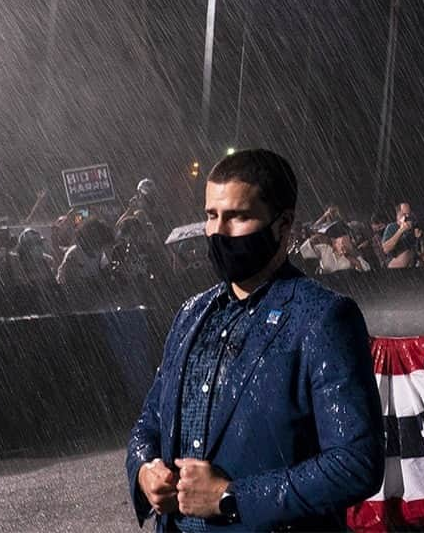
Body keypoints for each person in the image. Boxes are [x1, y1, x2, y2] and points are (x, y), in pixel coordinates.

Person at [126, 148, 383, 531]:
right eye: (211, 215)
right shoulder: (190, 314)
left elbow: (355, 461)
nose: (218, 231)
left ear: (283, 224)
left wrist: (232, 498)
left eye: (238, 216)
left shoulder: (323, 318)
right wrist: (144, 470)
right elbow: (150, 421)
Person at [381, 202, 423, 269]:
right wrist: (401, 230)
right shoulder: (391, 227)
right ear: (398, 214)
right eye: (404, 214)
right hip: (395, 264)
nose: (407, 216)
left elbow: (420, 251)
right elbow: (386, 249)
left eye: (408, 214)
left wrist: (419, 238)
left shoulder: (414, 227)